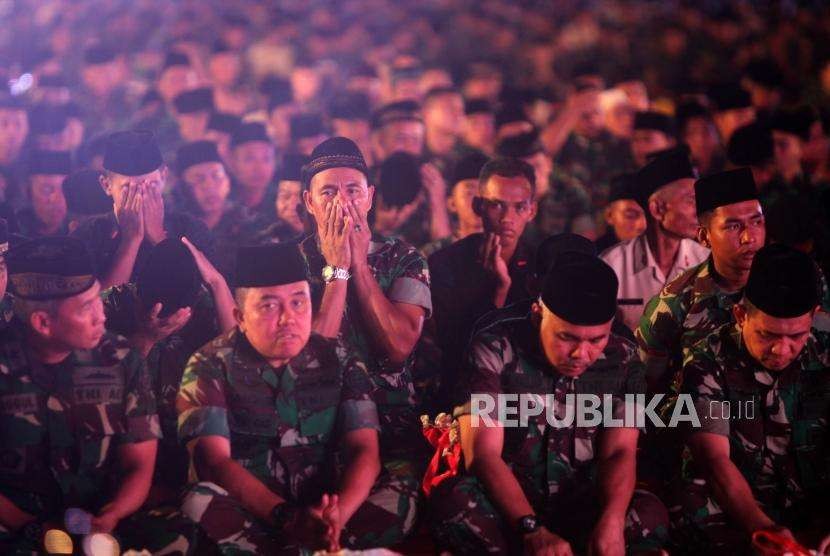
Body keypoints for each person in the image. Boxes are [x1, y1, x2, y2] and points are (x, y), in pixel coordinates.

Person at [177, 242, 412, 553]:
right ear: (240, 316)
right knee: (198, 503)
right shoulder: (210, 364)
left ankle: (324, 541)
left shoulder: (339, 356)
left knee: (402, 491)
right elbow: (214, 463)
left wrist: (337, 516)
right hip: (256, 515)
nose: (288, 318)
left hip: (329, 505)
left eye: (299, 303)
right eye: (269, 306)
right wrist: (289, 519)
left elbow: (364, 449)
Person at [430, 255, 669, 554]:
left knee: (650, 513)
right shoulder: (494, 349)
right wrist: (531, 529)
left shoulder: (625, 359)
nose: (581, 353)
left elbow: (619, 452)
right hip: (510, 507)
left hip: (581, 504)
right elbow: (483, 456)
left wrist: (611, 521)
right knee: (454, 502)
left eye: (597, 340)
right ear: (537, 314)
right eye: (567, 337)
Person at [0, 237, 196, 554]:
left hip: (101, 518)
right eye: (86, 308)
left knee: (178, 532)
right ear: (43, 322)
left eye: (98, 301)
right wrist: (34, 529)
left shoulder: (120, 360)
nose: (101, 316)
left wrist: (114, 513)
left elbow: (139, 463)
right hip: (18, 522)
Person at [299, 137, 431, 541]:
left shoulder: (405, 258)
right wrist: (336, 268)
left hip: (391, 431)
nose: (343, 202)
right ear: (309, 202)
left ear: (370, 197)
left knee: (384, 519)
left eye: (353, 190)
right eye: (328, 192)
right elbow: (309, 362)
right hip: (313, 429)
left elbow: (398, 348)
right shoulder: (290, 264)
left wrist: (357, 264)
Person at [674, 244, 830, 551]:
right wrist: (764, 530)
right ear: (741, 314)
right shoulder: (705, 363)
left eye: (796, 336)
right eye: (768, 335)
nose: (781, 350)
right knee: (690, 500)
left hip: (817, 499)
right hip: (743, 502)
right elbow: (714, 461)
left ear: (814, 316)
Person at [637, 167, 765, 394]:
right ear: (704, 237)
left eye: (757, 222)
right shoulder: (674, 303)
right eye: (734, 226)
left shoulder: (798, 282)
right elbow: (644, 389)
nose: (749, 237)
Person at [428, 157, 538, 410]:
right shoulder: (446, 263)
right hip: (462, 397)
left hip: (528, 397)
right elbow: (454, 347)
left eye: (519, 207)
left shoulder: (542, 265)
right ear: (478, 206)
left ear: (532, 211)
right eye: (497, 205)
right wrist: (498, 290)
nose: (507, 218)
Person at [71, 130, 214, 288]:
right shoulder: (90, 234)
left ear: (164, 177)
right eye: (129, 189)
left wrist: (159, 238)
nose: (140, 196)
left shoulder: (189, 228)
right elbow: (95, 305)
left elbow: (204, 295)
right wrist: (131, 240)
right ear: (106, 185)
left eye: (151, 186)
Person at [601, 147, 709, 331]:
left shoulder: (706, 262)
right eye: (691, 201)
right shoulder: (612, 266)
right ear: (657, 209)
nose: (698, 211)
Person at [175, 140, 269, 279]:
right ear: (183, 188)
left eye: (216, 176)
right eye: (199, 179)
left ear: (228, 182)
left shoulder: (252, 224)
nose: (210, 186)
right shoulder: (175, 228)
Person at [497, 131, 594, 243]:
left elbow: (586, 241)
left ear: (548, 164)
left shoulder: (570, 192)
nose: (532, 174)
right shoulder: (503, 201)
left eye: (537, 165)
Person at [420, 149, 488, 257]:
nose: (478, 199)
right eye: (469, 193)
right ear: (452, 204)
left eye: (486, 192)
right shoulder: (433, 253)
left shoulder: (508, 251)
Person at [15, 150, 71, 238]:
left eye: (64, 189)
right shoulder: (11, 231)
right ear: (27, 191)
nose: (55, 199)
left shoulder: (76, 234)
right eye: (46, 190)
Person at [228, 122, 278, 218]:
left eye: (266, 159)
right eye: (249, 159)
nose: (259, 168)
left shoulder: (282, 203)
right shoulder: (223, 202)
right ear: (232, 162)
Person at [596, 172, 645, 252]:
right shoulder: (596, 258)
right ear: (610, 215)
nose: (643, 225)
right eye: (630, 216)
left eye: (649, 215)